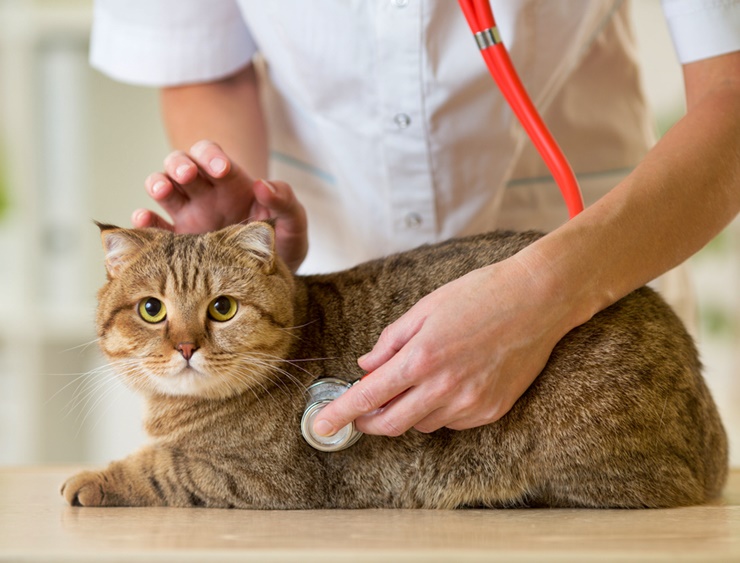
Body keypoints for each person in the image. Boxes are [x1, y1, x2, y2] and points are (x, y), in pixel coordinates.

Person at [90, 0, 740, 440]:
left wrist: (546, 293)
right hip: (323, 296)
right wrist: (238, 251)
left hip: (584, 285)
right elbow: (205, 60)